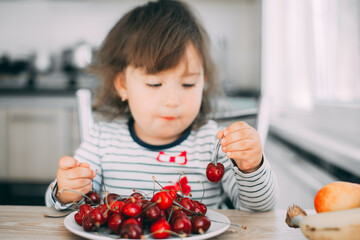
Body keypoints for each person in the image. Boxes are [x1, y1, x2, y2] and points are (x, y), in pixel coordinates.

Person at [46, 0, 278, 211]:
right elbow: (65, 206)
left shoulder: (213, 144)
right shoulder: (102, 141)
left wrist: (251, 167)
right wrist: (66, 192)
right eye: (155, 83)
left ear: (203, 82)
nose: (172, 100)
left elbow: (258, 210)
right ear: (122, 85)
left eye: (188, 84)